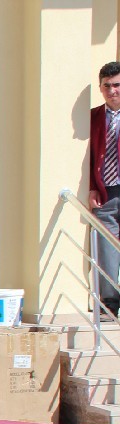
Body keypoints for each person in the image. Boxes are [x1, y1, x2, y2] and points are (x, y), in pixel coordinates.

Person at [90, 61, 120, 317]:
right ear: (101, 88)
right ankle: (110, 302)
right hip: (106, 193)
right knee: (107, 249)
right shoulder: (94, 116)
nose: (112, 90)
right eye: (107, 86)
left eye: (117, 85)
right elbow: (88, 157)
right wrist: (92, 188)